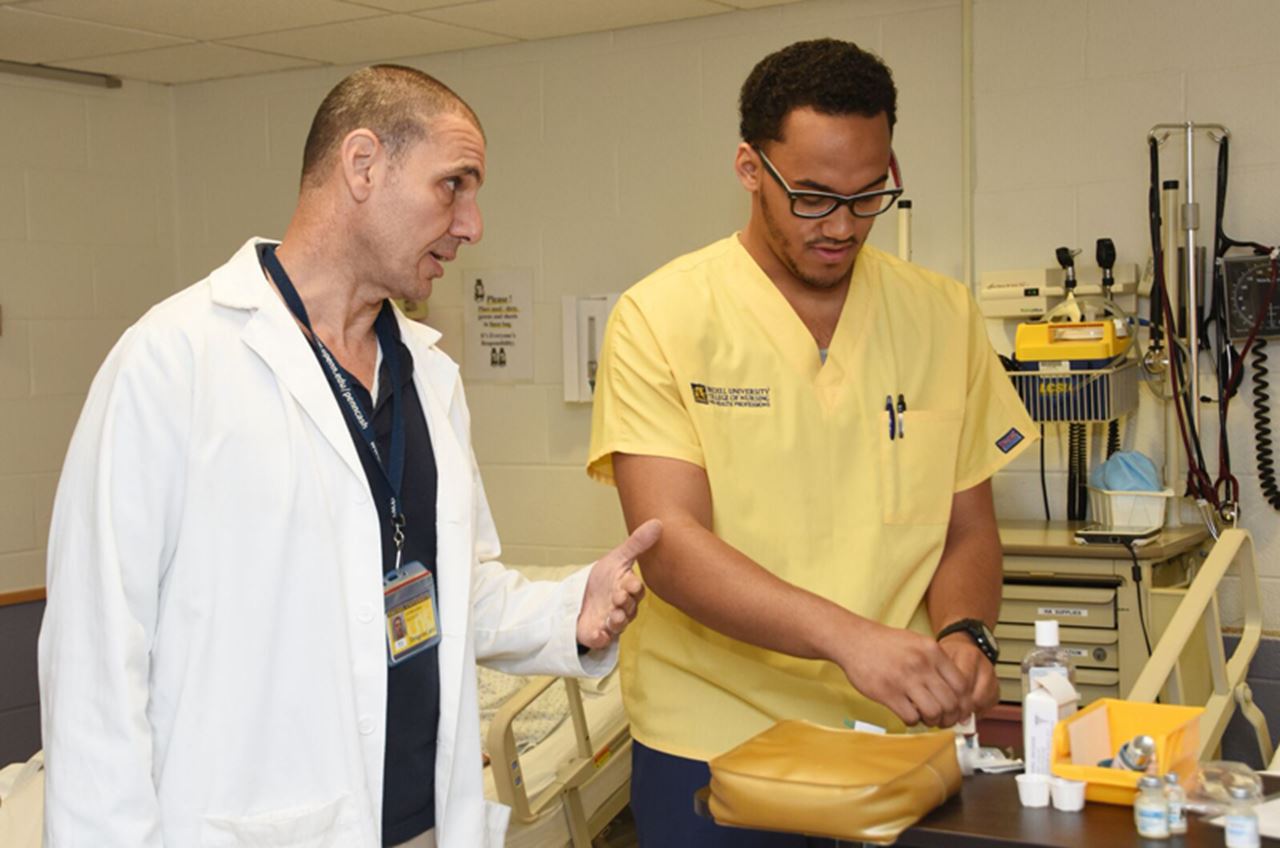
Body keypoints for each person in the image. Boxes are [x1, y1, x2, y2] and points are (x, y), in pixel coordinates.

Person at [38, 64, 659, 848]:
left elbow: (444, 588)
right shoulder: (174, 362)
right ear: (362, 165)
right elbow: (95, 656)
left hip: (422, 821)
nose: (473, 225)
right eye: (454, 186)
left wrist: (572, 609)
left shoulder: (428, 376)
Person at [587, 39, 1036, 845]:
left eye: (869, 197)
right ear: (750, 168)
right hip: (716, 746)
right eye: (813, 197)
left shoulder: (943, 316)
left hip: (891, 742)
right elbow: (671, 544)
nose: (841, 226)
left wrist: (964, 634)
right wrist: (849, 640)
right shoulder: (661, 317)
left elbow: (966, 526)